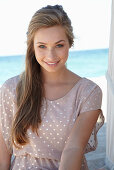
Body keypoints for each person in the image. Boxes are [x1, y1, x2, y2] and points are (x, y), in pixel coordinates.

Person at [0, 4, 104, 170]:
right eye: (42, 46)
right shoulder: (11, 88)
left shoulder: (88, 92)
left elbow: (74, 149)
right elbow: (3, 153)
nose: (51, 55)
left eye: (59, 45)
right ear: (32, 47)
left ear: (70, 43)